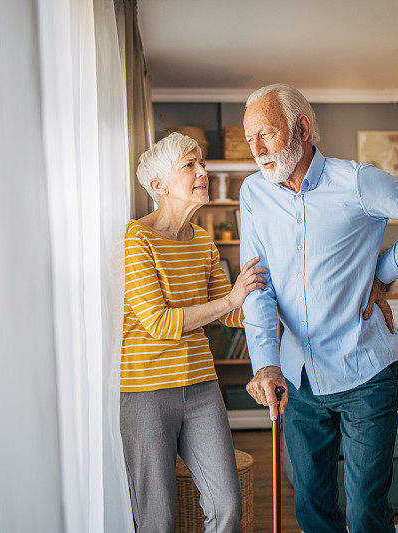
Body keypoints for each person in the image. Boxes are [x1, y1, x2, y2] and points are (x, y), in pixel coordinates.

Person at [239, 84, 398, 532]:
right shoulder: (254, 194)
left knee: (366, 511)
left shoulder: (358, 181)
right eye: (250, 139)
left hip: (366, 369)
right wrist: (265, 363)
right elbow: (257, 285)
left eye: (266, 133)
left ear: (302, 128)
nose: (258, 150)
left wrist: (384, 272)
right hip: (298, 376)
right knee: (311, 507)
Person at [121, 132, 268, 532]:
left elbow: (232, 315)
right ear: (158, 186)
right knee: (157, 519)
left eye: (201, 163)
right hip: (146, 392)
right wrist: (232, 301)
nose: (203, 171)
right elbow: (159, 322)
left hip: (201, 387)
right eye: (190, 165)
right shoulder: (137, 239)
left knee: (227, 506)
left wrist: (278, 301)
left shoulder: (203, 242)